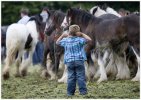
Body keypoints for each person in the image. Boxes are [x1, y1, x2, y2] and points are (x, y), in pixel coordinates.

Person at [56, 25, 92, 96]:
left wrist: (62, 35)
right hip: (79, 60)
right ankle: (83, 92)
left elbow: (57, 42)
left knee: (71, 77)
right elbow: (89, 39)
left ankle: (70, 93)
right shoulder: (80, 40)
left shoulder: (65, 40)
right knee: (81, 76)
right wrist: (82, 34)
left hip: (69, 61)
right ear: (77, 32)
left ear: (69, 32)